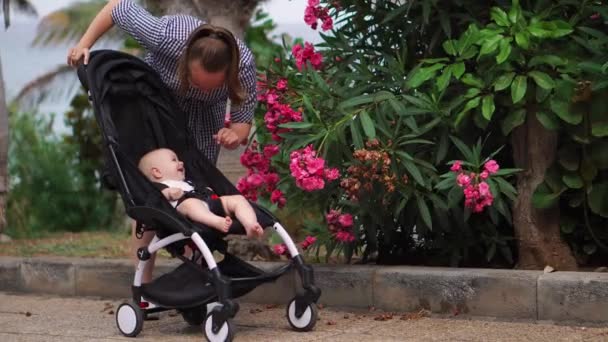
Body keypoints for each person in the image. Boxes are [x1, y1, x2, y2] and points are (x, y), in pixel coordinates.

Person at [67, 0, 258, 284]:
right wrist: (84, 44)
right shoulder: (169, 35)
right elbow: (118, 7)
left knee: (198, 187)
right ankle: (142, 279)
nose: (200, 88)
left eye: (211, 86)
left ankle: (198, 271)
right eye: (196, 81)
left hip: (206, 117)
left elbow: (243, 120)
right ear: (184, 60)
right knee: (151, 192)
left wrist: (235, 136)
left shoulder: (244, 66)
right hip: (157, 102)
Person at [138, 148, 264, 237]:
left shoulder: (187, 182)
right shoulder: (159, 186)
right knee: (190, 204)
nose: (181, 162)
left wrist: (207, 191)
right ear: (157, 172)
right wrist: (169, 193)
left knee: (237, 199)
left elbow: (200, 189)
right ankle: (216, 222)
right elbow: (154, 200)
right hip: (187, 215)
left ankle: (250, 224)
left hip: (210, 204)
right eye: (174, 160)